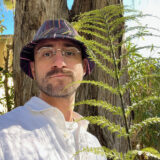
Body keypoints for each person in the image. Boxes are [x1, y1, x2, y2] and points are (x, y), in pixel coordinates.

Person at [0, 19, 106, 160]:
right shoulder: (4, 135)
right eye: (47, 53)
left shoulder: (94, 145)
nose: (59, 63)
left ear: (85, 66)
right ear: (33, 68)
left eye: (69, 53)